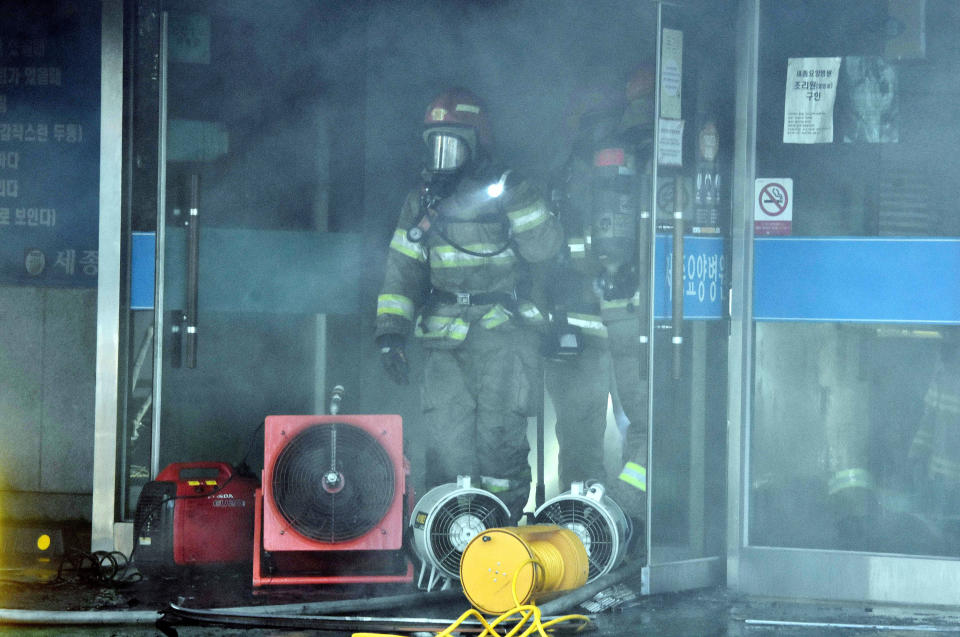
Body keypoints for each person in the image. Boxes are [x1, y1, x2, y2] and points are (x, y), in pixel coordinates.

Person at [375, 87, 562, 521]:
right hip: (444, 341)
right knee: (446, 442)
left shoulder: (511, 190)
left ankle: (503, 538)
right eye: (434, 145)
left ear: (476, 147)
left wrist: (518, 199)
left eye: (451, 145)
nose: (441, 157)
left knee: (500, 443)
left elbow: (545, 250)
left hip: (504, 336)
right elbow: (401, 272)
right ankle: (449, 539)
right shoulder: (422, 202)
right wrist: (390, 334)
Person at [543, 68, 655, 525]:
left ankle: (588, 525)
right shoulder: (642, 162)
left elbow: (552, 253)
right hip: (622, 317)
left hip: (586, 321)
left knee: (582, 436)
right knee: (642, 427)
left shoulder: (573, 175)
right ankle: (616, 522)